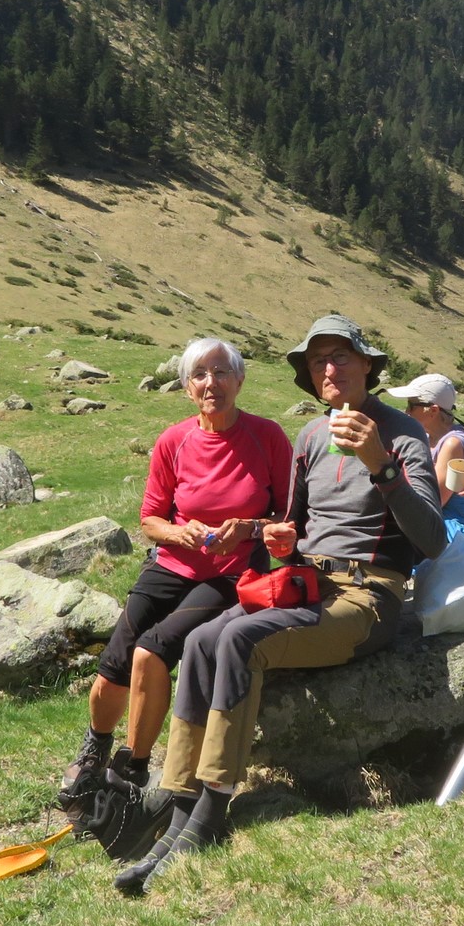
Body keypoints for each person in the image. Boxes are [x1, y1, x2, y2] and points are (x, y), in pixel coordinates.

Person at [114, 314, 448, 895]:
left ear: (367, 365)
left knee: (241, 641)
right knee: (199, 639)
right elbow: (292, 522)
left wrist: (383, 466)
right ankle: (180, 801)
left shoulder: (400, 435)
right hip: (305, 585)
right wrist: (283, 538)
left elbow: (433, 538)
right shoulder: (312, 438)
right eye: (317, 360)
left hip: (370, 597)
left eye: (340, 356)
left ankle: (211, 813)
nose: (328, 368)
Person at [59, 337, 291, 811]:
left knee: (152, 650)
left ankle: (132, 772)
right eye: (201, 375)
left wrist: (248, 528)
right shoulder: (174, 440)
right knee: (114, 663)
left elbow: (291, 519)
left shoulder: (267, 438)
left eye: (222, 372)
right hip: (172, 564)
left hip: (231, 574)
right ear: (187, 387)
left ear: (240, 380)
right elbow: (149, 519)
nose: (212, 383)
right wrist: (180, 533)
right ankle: (94, 751)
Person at [385, 372, 464, 539]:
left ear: (432, 411)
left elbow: (433, 502)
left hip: (458, 530)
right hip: (439, 520)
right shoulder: (429, 438)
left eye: (411, 405)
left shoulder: (452, 444)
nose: (406, 411)